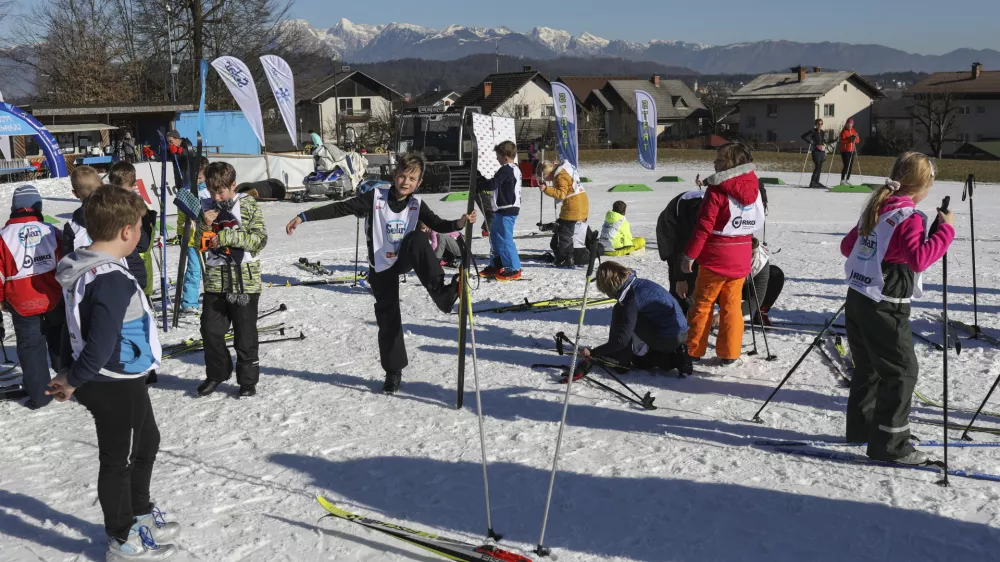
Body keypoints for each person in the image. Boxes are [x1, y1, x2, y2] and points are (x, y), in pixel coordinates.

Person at [48, 185, 180, 560]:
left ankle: (139, 512)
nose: (140, 234)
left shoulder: (90, 265)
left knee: (147, 440)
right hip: (110, 380)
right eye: (139, 227)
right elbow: (99, 343)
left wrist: (66, 369)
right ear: (126, 231)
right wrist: (72, 379)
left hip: (120, 375)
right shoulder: (108, 278)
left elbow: (69, 325)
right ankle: (120, 538)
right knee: (117, 459)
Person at [285, 153, 475, 394]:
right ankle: (393, 372)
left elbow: (437, 224)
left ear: (419, 183)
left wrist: (459, 223)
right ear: (395, 176)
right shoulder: (375, 197)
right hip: (381, 266)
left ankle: (442, 294)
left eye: (412, 179)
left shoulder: (417, 204)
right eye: (402, 176)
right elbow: (342, 207)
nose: (406, 182)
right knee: (388, 319)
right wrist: (304, 216)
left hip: (402, 259)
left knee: (418, 238)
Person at [841, 152, 953, 465]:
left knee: (869, 366)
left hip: (859, 296)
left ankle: (864, 428)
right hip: (886, 301)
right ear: (924, 186)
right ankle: (890, 444)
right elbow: (919, 259)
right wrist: (945, 232)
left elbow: (848, 246)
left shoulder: (879, 205)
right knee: (902, 371)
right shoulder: (909, 216)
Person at [682, 143, 763, 365]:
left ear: (730, 164)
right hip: (741, 256)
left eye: (718, 159)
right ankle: (730, 352)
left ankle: (693, 350)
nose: (714, 163)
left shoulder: (717, 189)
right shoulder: (754, 184)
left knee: (703, 304)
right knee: (732, 306)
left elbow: (704, 226)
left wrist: (690, 256)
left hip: (716, 258)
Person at [195, 162, 268, 398]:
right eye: (212, 191)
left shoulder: (247, 204)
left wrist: (228, 236)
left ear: (233, 185)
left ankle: (247, 381)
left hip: (245, 279)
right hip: (216, 279)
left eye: (221, 191)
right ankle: (217, 373)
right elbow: (198, 244)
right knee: (210, 330)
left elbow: (259, 239)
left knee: (245, 335)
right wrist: (204, 225)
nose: (216, 197)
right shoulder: (206, 206)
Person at [0, 185, 64, 409]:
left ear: (15, 207)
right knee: (60, 339)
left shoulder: (3, 237)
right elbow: (64, 263)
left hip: (21, 301)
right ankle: (69, 382)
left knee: (31, 348)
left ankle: (40, 395)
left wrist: (1, 299)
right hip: (53, 296)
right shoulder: (51, 230)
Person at [578, 261, 692, 375]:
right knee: (640, 362)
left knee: (621, 311)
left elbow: (622, 340)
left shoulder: (630, 298)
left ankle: (620, 360)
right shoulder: (635, 283)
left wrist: (594, 352)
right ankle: (675, 357)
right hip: (680, 332)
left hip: (669, 338)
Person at [107, 162, 158, 294]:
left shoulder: (137, 204)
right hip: (129, 256)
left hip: (138, 256)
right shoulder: (111, 205)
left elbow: (147, 234)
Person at [478, 141, 522, 281]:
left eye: (498, 156)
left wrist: (479, 182)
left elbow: (493, 184)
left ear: (505, 156)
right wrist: (482, 181)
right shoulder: (512, 169)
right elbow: (495, 183)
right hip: (501, 210)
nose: (497, 159)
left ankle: (514, 268)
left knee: (504, 239)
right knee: (495, 238)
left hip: (507, 209)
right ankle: (497, 264)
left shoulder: (507, 169)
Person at [656, 189, 705, 314]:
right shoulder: (692, 212)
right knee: (684, 278)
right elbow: (680, 249)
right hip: (670, 231)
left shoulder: (720, 207)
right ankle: (680, 311)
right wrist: (680, 279)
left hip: (688, 231)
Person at [537, 159, 590, 266]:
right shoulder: (563, 171)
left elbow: (561, 194)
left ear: (546, 173)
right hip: (579, 203)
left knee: (565, 233)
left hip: (574, 205)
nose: (543, 180)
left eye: (542, 177)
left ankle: (567, 258)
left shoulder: (560, 176)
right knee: (565, 227)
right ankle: (567, 255)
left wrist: (546, 189)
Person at [177, 156, 212, 313]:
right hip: (192, 239)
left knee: (212, 267)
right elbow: (181, 214)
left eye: (200, 178)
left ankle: (214, 295)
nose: (197, 181)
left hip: (208, 236)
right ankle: (189, 301)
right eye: (195, 177)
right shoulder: (186, 191)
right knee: (194, 269)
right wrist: (181, 233)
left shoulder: (210, 190)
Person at [741, 237, 784, 327]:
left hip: (745, 285)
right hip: (722, 287)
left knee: (775, 274)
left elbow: (757, 298)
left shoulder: (760, 257)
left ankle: (761, 313)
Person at [64, 165, 103, 252]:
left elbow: (67, 257)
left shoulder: (71, 226)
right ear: (102, 184)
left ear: (75, 194)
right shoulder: (119, 214)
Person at [801, 119, 827, 188]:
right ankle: (812, 182)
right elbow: (803, 136)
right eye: (818, 124)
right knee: (817, 166)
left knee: (820, 167)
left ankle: (817, 182)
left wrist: (833, 140)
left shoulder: (822, 132)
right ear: (816, 124)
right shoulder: (813, 131)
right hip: (815, 150)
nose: (820, 125)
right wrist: (809, 141)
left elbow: (824, 141)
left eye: (821, 124)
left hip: (821, 150)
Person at [839, 120, 860, 185]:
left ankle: (847, 179)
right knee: (846, 165)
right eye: (848, 124)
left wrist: (855, 139)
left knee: (850, 166)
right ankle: (842, 180)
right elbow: (842, 140)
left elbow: (858, 140)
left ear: (852, 125)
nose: (849, 126)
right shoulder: (844, 132)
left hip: (851, 150)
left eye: (850, 125)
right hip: (845, 150)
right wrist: (849, 139)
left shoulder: (854, 131)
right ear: (846, 125)